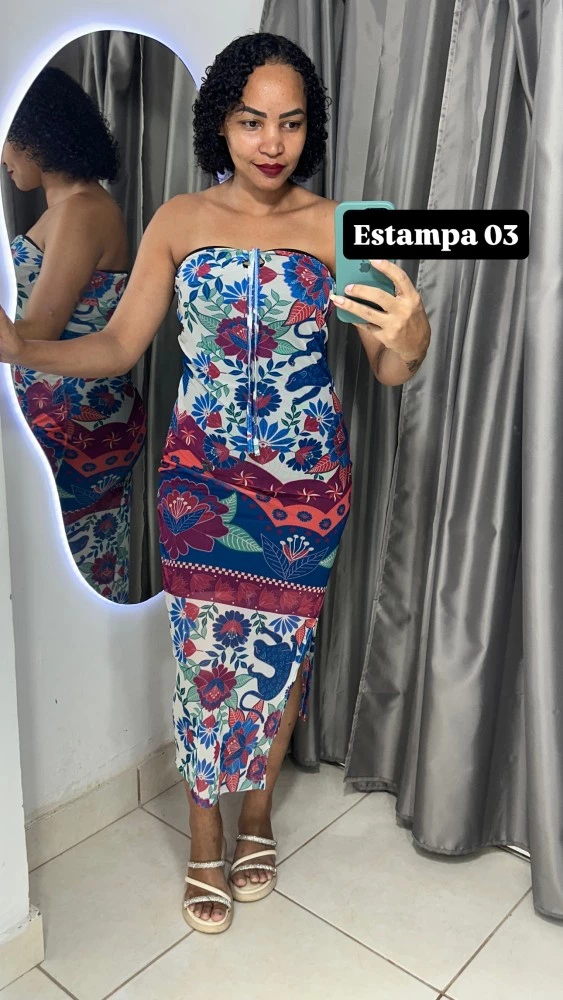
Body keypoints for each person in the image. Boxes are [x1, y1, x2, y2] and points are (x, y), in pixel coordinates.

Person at [0, 34, 430, 931]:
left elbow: (386, 369)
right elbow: (117, 346)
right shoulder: (176, 220)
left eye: (290, 123)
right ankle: (205, 835)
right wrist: (21, 349)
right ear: (220, 125)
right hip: (200, 482)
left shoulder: (345, 224)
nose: (271, 142)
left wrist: (411, 341)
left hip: (306, 487)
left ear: (309, 129)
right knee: (204, 662)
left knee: (280, 657)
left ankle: (257, 816)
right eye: (250, 121)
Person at [2, 67, 146, 602]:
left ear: (37, 138)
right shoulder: (71, 208)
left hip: (75, 423)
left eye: (8, 140)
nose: (3, 156)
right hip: (72, 417)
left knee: (74, 581)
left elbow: (38, 329)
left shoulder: (82, 211)